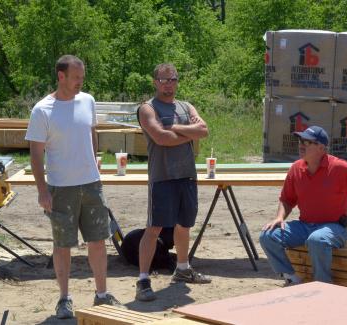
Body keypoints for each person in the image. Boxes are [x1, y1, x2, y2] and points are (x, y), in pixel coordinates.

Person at [25, 55, 122, 319]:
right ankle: (64, 299)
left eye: (82, 77)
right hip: (60, 188)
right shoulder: (42, 110)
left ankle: (102, 295)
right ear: (61, 76)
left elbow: (91, 132)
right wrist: (42, 190)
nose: (81, 82)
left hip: (91, 185)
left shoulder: (87, 101)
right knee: (63, 245)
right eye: (76, 77)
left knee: (98, 241)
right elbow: (35, 153)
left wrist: (94, 161)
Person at [259, 126, 347, 284]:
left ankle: (322, 285)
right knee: (267, 236)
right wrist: (279, 217)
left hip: (335, 228)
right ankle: (291, 278)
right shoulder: (296, 169)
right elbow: (287, 199)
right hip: (304, 226)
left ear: (322, 148)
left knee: (317, 239)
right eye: (300, 140)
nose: (301, 145)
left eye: (307, 142)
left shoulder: (338, 168)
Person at [135, 63, 210, 302]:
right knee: (154, 228)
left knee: (184, 225)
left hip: (187, 175)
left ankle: (183, 269)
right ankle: (143, 279)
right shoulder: (147, 109)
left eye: (173, 79)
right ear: (155, 81)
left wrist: (175, 127)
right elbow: (161, 138)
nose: (169, 84)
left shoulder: (186, 106)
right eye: (163, 80)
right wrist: (189, 132)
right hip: (162, 176)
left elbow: (204, 130)